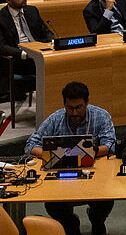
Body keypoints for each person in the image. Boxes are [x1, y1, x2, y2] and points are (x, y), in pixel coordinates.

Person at [29, 81, 115, 235]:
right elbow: (31, 144)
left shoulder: (102, 116)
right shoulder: (55, 119)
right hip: (61, 176)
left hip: (93, 175)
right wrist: (50, 153)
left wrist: (92, 152)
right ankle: (70, 223)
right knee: (52, 205)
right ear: (65, 105)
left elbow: (110, 145)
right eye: (70, 108)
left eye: (78, 108)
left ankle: (96, 220)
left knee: (107, 199)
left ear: (87, 103)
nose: (74, 113)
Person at [0, 0, 52, 75]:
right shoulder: (2, 18)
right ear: (8, 0)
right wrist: (25, 54)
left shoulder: (32, 11)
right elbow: (2, 47)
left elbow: (46, 32)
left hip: (38, 52)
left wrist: (52, 42)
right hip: (19, 59)